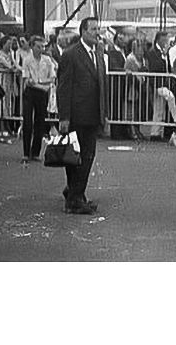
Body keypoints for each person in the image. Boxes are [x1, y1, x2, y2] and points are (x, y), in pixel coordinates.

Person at [57, 17, 107, 215]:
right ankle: (75, 199)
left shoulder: (98, 54)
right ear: (83, 31)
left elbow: (101, 86)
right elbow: (63, 87)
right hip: (76, 115)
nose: (97, 32)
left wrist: (104, 113)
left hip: (93, 115)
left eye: (97, 29)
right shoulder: (71, 55)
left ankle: (76, 193)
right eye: (93, 29)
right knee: (75, 157)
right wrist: (64, 117)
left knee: (87, 156)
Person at [21, 35, 57, 162]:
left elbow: (52, 77)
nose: (41, 49)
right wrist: (42, 84)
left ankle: (35, 152)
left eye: (42, 46)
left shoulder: (47, 60)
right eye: (38, 46)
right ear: (32, 47)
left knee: (40, 122)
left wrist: (39, 81)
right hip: (30, 93)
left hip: (42, 94)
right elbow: (27, 80)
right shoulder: (27, 59)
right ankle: (26, 152)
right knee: (27, 122)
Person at [123, 38, 149, 141]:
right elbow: (126, 71)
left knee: (138, 110)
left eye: (142, 47)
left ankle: (137, 129)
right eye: (139, 47)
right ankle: (132, 130)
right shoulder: (130, 59)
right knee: (131, 110)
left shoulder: (143, 59)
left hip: (141, 86)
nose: (142, 50)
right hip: (132, 87)